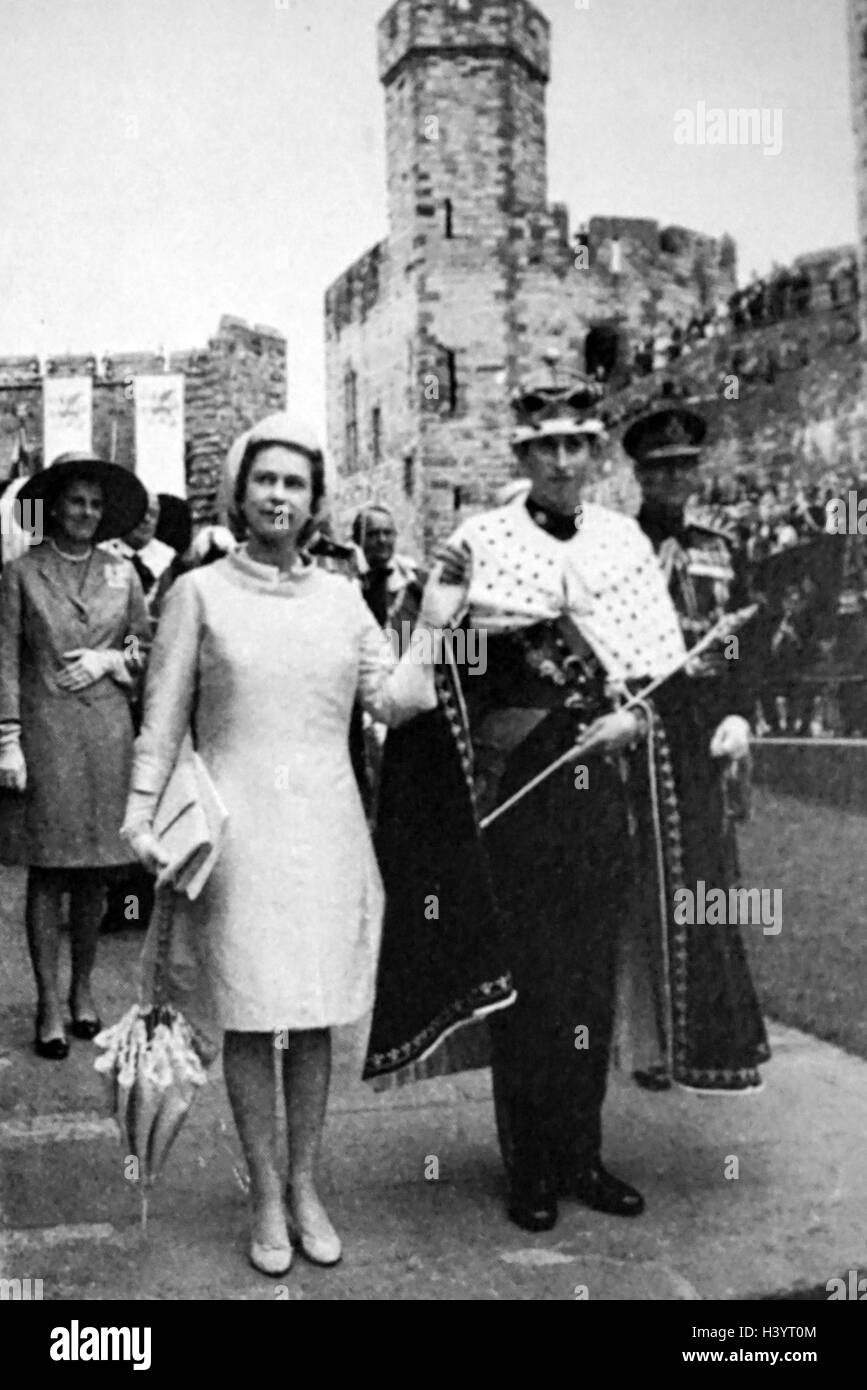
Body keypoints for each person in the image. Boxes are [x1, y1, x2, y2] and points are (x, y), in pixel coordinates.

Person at [365, 374, 705, 1233]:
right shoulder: (477, 542)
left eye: (577, 443)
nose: (561, 459)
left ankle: (581, 1155)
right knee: (527, 986)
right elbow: (427, 678)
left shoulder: (624, 542)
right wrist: (455, 626)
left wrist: (627, 724)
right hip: (515, 797)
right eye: (545, 444)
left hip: (599, 800)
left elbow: (654, 675)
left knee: (587, 984)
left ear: (595, 455)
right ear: (521, 454)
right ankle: (527, 1167)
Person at [121, 412, 448, 1278]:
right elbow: (161, 722)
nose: (277, 495)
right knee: (248, 1011)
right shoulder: (198, 593)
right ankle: (263, 1191)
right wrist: (140, 816)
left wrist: (443, 618)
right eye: (263, 479)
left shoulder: (343, 600)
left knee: (310, 1020)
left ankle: (306, 1186)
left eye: (294, 483)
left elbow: (395, 702)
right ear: (239, 490)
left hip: (327, 827)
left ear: (313, 502)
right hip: (235, 832)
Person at [625, 396, 771, 1092]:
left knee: (709, 885)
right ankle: (649, 1043)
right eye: (659, 469)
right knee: (643, 886)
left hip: (706, 740)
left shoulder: (719, 548)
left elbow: (743, 647)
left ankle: (713, 1039)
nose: (673, 479)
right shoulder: (619, 549)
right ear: (638, 475)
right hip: (646, 737)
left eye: (683, 466)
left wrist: (740, 714)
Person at [0, 452, 150, 1059]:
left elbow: (145, 645)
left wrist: (113, 660)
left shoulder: (123, 574)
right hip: (45, 733)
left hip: (107, 733)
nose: (85, 512)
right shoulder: (20, 574)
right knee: (50, 867)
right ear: (53, 506)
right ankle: (48, 1003)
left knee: (95, 870)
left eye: (95, 503)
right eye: (74, 501)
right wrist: (6, 739)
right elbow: (4, 660)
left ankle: (84, 991)